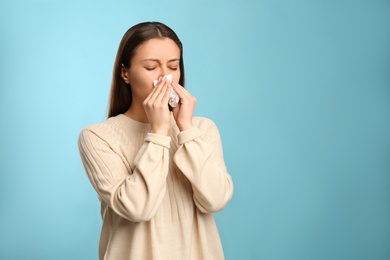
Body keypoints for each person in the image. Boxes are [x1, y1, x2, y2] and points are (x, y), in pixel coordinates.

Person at [78, 21, 233, 260]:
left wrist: (186, 130)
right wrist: (158, 132)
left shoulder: (202, 129)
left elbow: (216, 199)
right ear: (125, 73)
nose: (165, 78)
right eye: (151, 67)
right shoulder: (97, 137)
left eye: (173, 66)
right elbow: (138, 207)